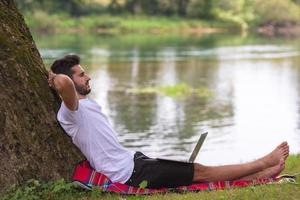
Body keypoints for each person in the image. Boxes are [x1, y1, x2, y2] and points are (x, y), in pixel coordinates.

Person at [48, 54, 290, 189]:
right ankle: (263, 163)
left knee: (194, 172)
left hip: (134, 161)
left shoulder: (88, 105)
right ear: (70, 79)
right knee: (201, 173)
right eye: (81, 74)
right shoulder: (70, 112)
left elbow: (67, 84)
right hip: (129, 173)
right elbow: (63, 85)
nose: (88, 76)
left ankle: (263, 173)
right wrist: (53, 75)